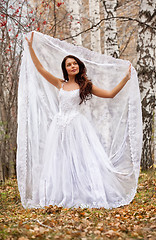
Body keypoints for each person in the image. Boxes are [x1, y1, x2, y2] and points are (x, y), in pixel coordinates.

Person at [17, 31, 142, 209]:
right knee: (60, 160)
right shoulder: (60, 83)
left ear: (79, 66)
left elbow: (110, 94)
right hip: (59, 126)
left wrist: (125, 79)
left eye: (75, 63)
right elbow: (41, 69)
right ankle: (61, 193)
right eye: (69, 64)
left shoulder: (85, 85)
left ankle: (85, 192)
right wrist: (30, 46)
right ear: (65, 69)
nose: (72, 66)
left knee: (81, 160)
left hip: (77, 126)